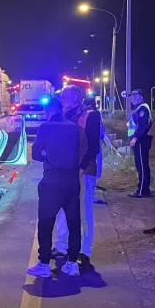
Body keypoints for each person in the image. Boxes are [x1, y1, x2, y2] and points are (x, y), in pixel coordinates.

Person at [27, 97, 81, 277]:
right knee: (74, 223)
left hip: (52, 181)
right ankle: (72, 263)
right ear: (61, 109)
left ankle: (43, 264)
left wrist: (47, 155)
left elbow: (35, 154)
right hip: (72, 180)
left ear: (47, 111)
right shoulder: (74, 127)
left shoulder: (45, 127)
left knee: (46, 223)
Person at [53, 85, 101, 266]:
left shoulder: (90, 116)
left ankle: (84, 250)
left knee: (84, 211)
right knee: (62, 210)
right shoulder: (63, 116)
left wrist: (82, 167)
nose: (62, 100)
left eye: (64, 96)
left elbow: (94, 146)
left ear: (74, 98)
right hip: (64, 171)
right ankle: (62, 246)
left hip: (83, 171)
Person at [127, 89, 153, 198]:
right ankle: (143, 189)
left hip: (141, 140)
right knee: (141, 165)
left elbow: (142, 126)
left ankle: (143, 191)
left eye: (135, 95)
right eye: (131, 96)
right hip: (139, 140)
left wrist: (135, 138)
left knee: (142, 166)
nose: (132, 98)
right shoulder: (138, 108)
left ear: (141, 97)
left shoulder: (143, 108)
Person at [83, 97, 106, 204]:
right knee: (92, 170)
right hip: (94, 146)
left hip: (86, 146)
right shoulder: (95, 114)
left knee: (87, 171)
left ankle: (88, 193)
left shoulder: (82, 114)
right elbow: (101, 132)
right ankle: (89, 195)